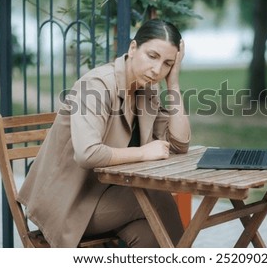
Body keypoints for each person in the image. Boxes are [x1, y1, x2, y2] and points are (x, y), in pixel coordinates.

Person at [18, 19, 191, 247]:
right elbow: (87, 154)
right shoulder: (96, 85)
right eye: (152, 56)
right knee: (157, 198)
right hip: (71, 204)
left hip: (112, 197)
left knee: (152, 235)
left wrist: (174, 85)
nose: (158, 70)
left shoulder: (146, 89)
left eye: (168, 63)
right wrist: (143, 152)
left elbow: (179, 145)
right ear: (132, 48)